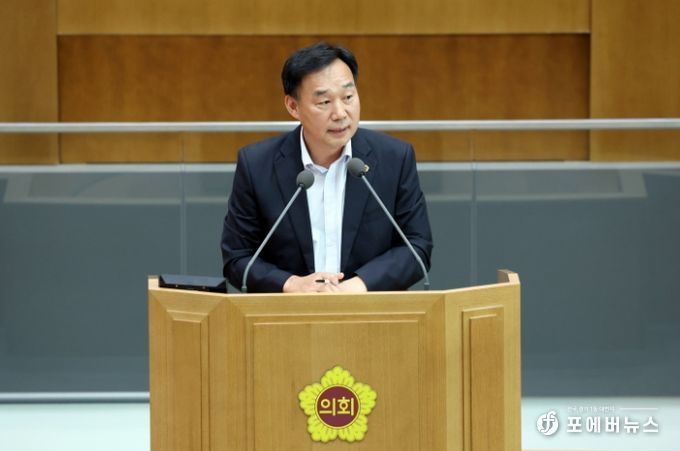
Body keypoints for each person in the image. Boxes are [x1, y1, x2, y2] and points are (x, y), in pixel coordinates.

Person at [221, 42, 432, 293]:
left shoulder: (394, 158)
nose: (340, 113)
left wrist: (359, 286)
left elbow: (416, 246)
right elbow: (237, 257)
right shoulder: (257, 165)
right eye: (324, 102)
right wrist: (292, 284)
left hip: (370, 310)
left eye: (348, 97)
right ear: (293, 107)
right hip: (289, 313)